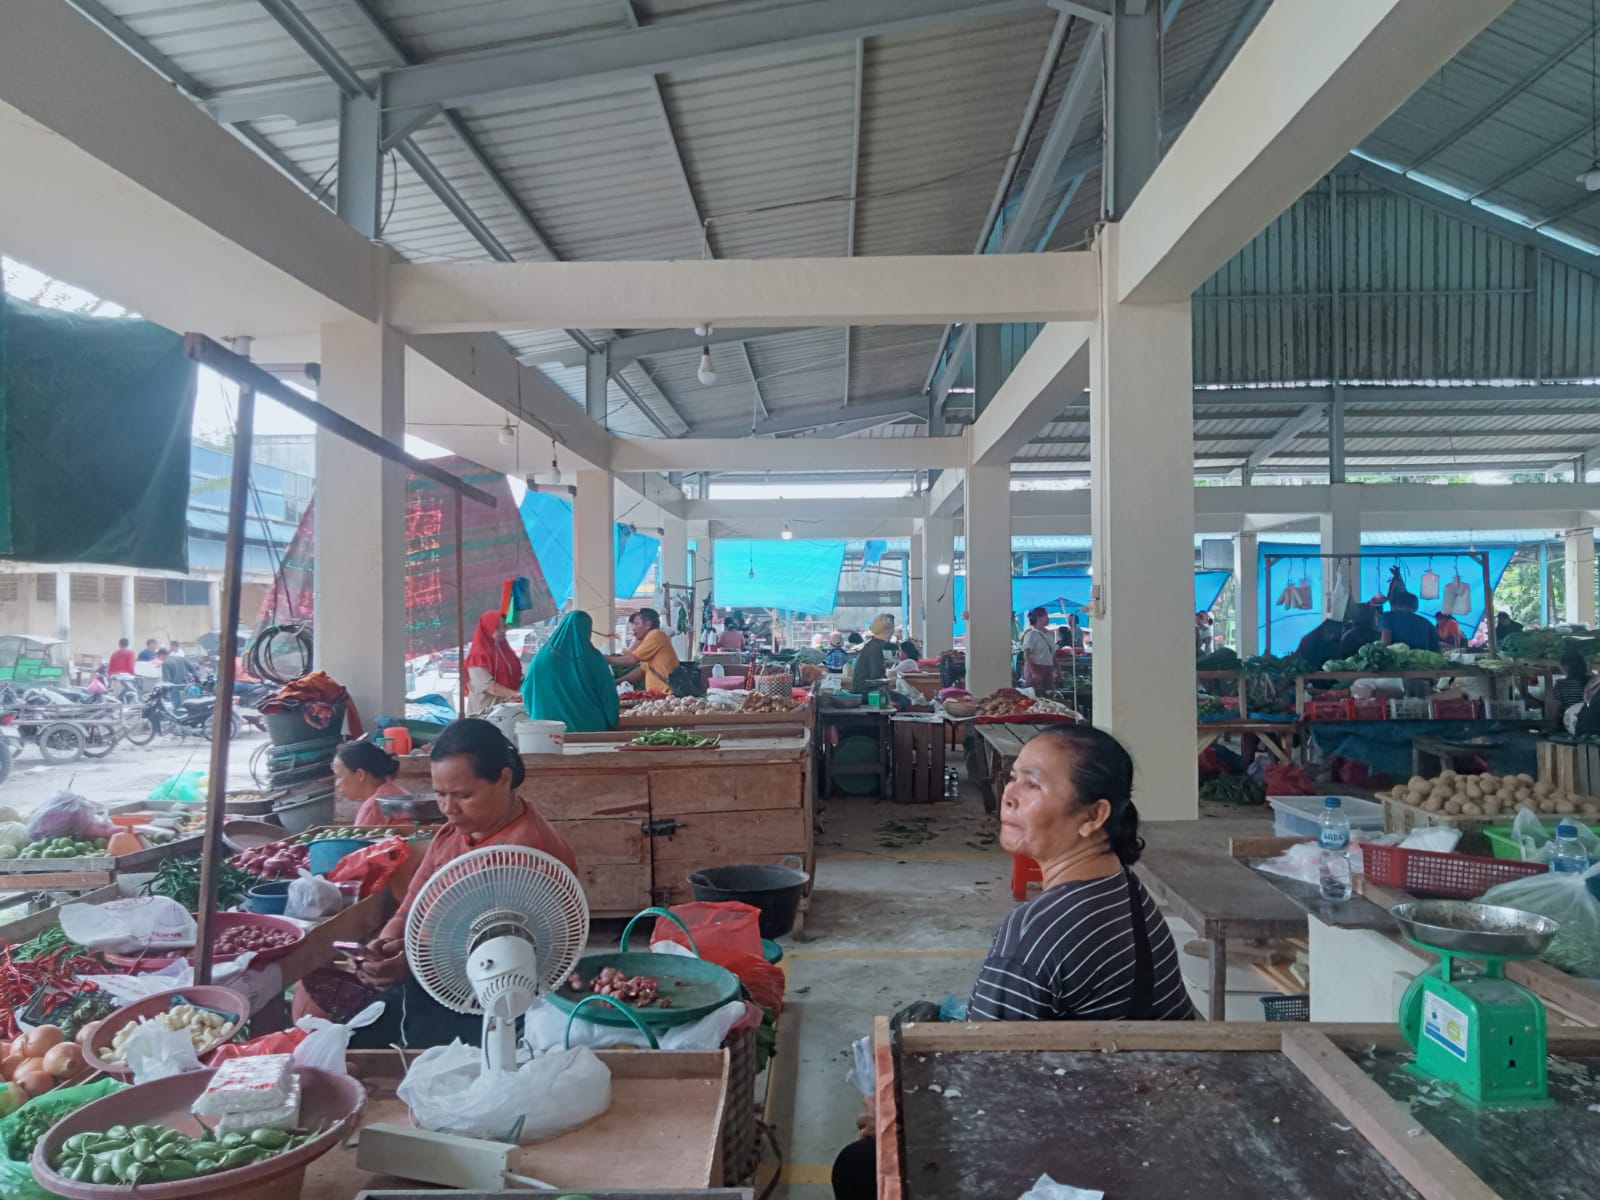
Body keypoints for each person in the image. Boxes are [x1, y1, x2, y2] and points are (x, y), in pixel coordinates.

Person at [831, 724, 1194, 1197]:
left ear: (1093, 815)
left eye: (1033, 784)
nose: (1009, 795)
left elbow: (979, 1087)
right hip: (1142, 1114)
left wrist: (888, 1113)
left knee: (858, 1166)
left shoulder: (1036, 931)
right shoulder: (1123, 888)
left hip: (1084, 1152)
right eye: (1014, 777)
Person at [352, 719, 577, 1046]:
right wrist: (385, 944)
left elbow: (497, 951)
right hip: (432, 979)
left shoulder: (524, 855)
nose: (448, 808)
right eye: (440, 794)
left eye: (463, 795)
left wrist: (409, 964)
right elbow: (413, 903)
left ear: (503, 779)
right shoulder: (454, 834)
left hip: (492, 1000)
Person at [523, 610, 620, 733]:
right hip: (589, 730)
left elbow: (527, 691)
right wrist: (613, 722)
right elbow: (608, 695)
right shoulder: (594, 659)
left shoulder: (541, 658)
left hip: (547, 730)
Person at [463, 609, 523, 715]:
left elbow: (518, 676)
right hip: (484, 715)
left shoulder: (505, 651)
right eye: (497, 627)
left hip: (506, 712)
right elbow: (489, 687)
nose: (502, 630)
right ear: (487, 627)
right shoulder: (477, 656)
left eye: (504, 627)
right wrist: (518, 695)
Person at [331, 739, 401, 824]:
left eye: (339, 776)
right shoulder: (395, 791)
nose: (337, 784)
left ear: (360, 775)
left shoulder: (372, 808)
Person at [850, 616, 892, 696]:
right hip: (865, 692)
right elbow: (877, 676)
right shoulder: (875, 647)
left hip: (863, 689)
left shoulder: (872, 644)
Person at [1019, 606, 1057, 692]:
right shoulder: (1031, 634)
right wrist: (1034, 672)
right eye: (1046, 616)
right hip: (1035, 668)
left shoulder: (1049, 634)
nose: (1048, 618)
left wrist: (1057, 667)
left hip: (1048, 668)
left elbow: (1052, 653)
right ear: (1039, 618)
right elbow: (1026, 655)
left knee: (1050, 694)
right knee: (1037, 695)